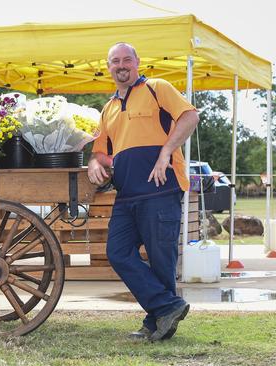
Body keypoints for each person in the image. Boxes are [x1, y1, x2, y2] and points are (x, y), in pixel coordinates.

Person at [88, 43, 199, 341]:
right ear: (108, 67)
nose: (121, 65)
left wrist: (166, 153)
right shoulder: (108, 108)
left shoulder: (157, 88)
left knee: (161, 260)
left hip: (160, 190)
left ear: (137, 62)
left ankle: (156, 324)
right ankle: (169, 307)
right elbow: (100, 152)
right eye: (115, 61)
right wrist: (92, 162)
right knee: (117, 252)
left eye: (126, 60)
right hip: (126, 195)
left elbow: (190, 117)